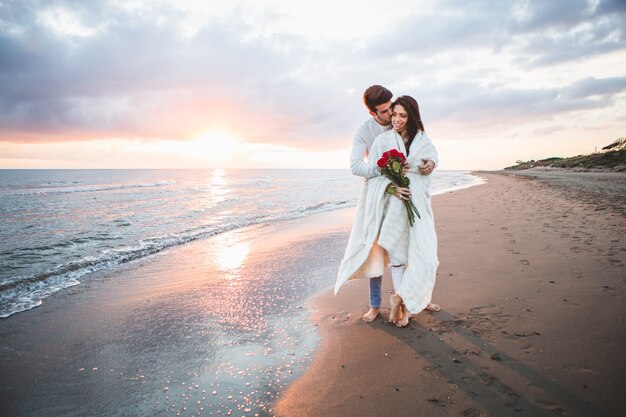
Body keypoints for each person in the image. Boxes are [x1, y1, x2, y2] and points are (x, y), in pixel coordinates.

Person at [337, 95, 440, 327]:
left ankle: (418, 297)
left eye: (401, 115)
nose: (394, 119)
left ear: (411, 116)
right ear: (375, 113)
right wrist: (392, 186)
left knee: (424, 253)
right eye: (391, 114)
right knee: (394, 255)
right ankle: (395, 305)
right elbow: (367, 174)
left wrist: (431, 163)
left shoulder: (423, 139)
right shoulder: (378, 139)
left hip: (419, 205)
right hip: (392, 206)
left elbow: (432, 155)